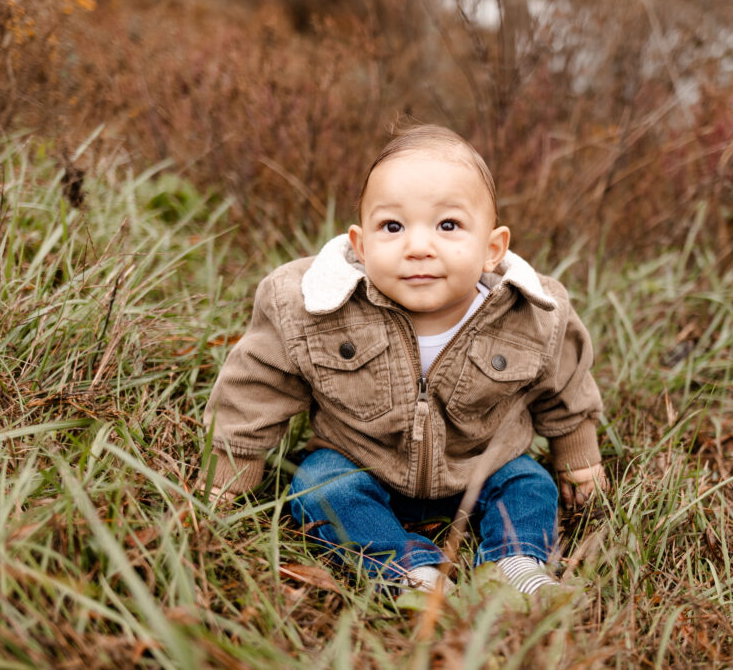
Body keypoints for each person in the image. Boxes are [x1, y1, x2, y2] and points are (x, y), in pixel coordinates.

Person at [203, 124, 607, 595]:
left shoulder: (532, 313)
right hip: (360, 460)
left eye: (448, 226)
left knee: (528, 483)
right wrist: (231, 472)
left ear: (491, 250)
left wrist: (579, 461)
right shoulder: (312, 307)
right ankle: (407, 571)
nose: (418, 246)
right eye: (392, 227)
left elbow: (566, 388)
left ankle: (515, 565)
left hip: (481, 464)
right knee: (318, 486)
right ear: (360, 244)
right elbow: (257, 387)